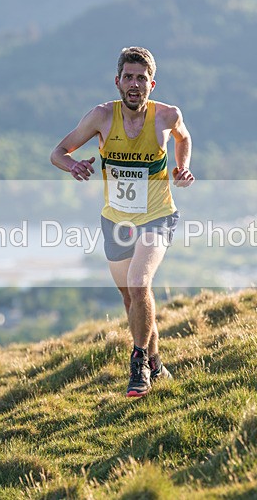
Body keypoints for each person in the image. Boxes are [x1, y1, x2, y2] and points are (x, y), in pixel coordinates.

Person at [50, 47, 195, 397]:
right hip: (115, 220)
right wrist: (75, 167)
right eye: (128, 77)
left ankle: (139, 364)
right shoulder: (101, 117)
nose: (134, 84)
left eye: (141, 78)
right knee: (132, 299)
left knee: (139, 282)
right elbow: (58, 153)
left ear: (152, 84)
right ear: (117, 82)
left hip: (157, 216)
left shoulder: (167, 116)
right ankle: (157, 363)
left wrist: (182, 167)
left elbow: (184, 137)